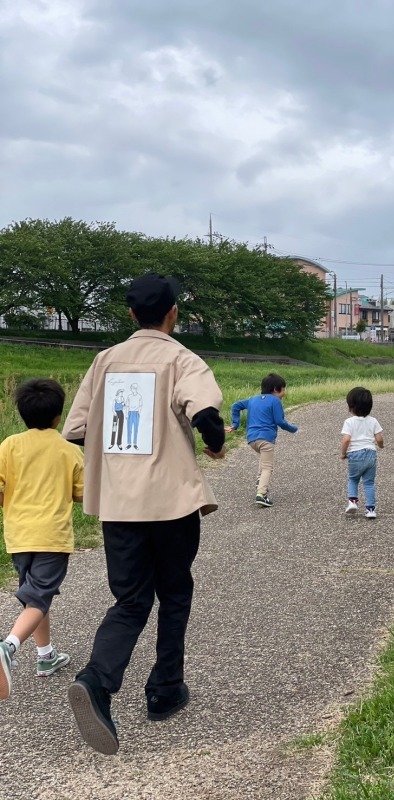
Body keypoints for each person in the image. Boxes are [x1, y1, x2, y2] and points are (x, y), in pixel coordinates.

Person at [61, 272, 226, 755]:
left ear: (131, 314)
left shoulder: (104, 361)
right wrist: (213, 444)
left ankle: (97, 681)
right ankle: (164, 689)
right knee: (174, 591)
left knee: (131, 599)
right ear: (173, 313)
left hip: (119, 505)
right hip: (171, 502)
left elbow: (75, 430)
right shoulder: (181, 358)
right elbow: (206, 414)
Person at [0, 378, 84, 701]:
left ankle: (46, 655)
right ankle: (8, 647)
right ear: (58, 416)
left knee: (35, 597)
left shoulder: (9, 445)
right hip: (51, 536)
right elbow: (82, 496)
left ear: (21, 413)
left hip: (18, 534)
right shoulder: (70, 451)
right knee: (38, 597)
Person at [225, 373, 298, 507]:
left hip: (252, 439)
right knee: (267, 468)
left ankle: (260, 481)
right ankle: (261, 494)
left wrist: (235, 424)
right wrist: (292, 428)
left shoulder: (253, 399)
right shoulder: (275, 401)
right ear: (276, 389)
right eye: (283, 389)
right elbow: (279, 421)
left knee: (264, 461)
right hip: (266, 438)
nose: (284, 393)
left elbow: (235, 406)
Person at [341, 386, 384, 519]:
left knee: (353, 479)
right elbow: (379, 438)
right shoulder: (373, 420)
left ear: (351, 406)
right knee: (369, 483)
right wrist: (381, 446)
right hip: (371, 454)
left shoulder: (349, 422)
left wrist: (343, 453)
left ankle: (353, 502)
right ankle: (371, 510)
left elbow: (346, 440)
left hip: (355, 455)